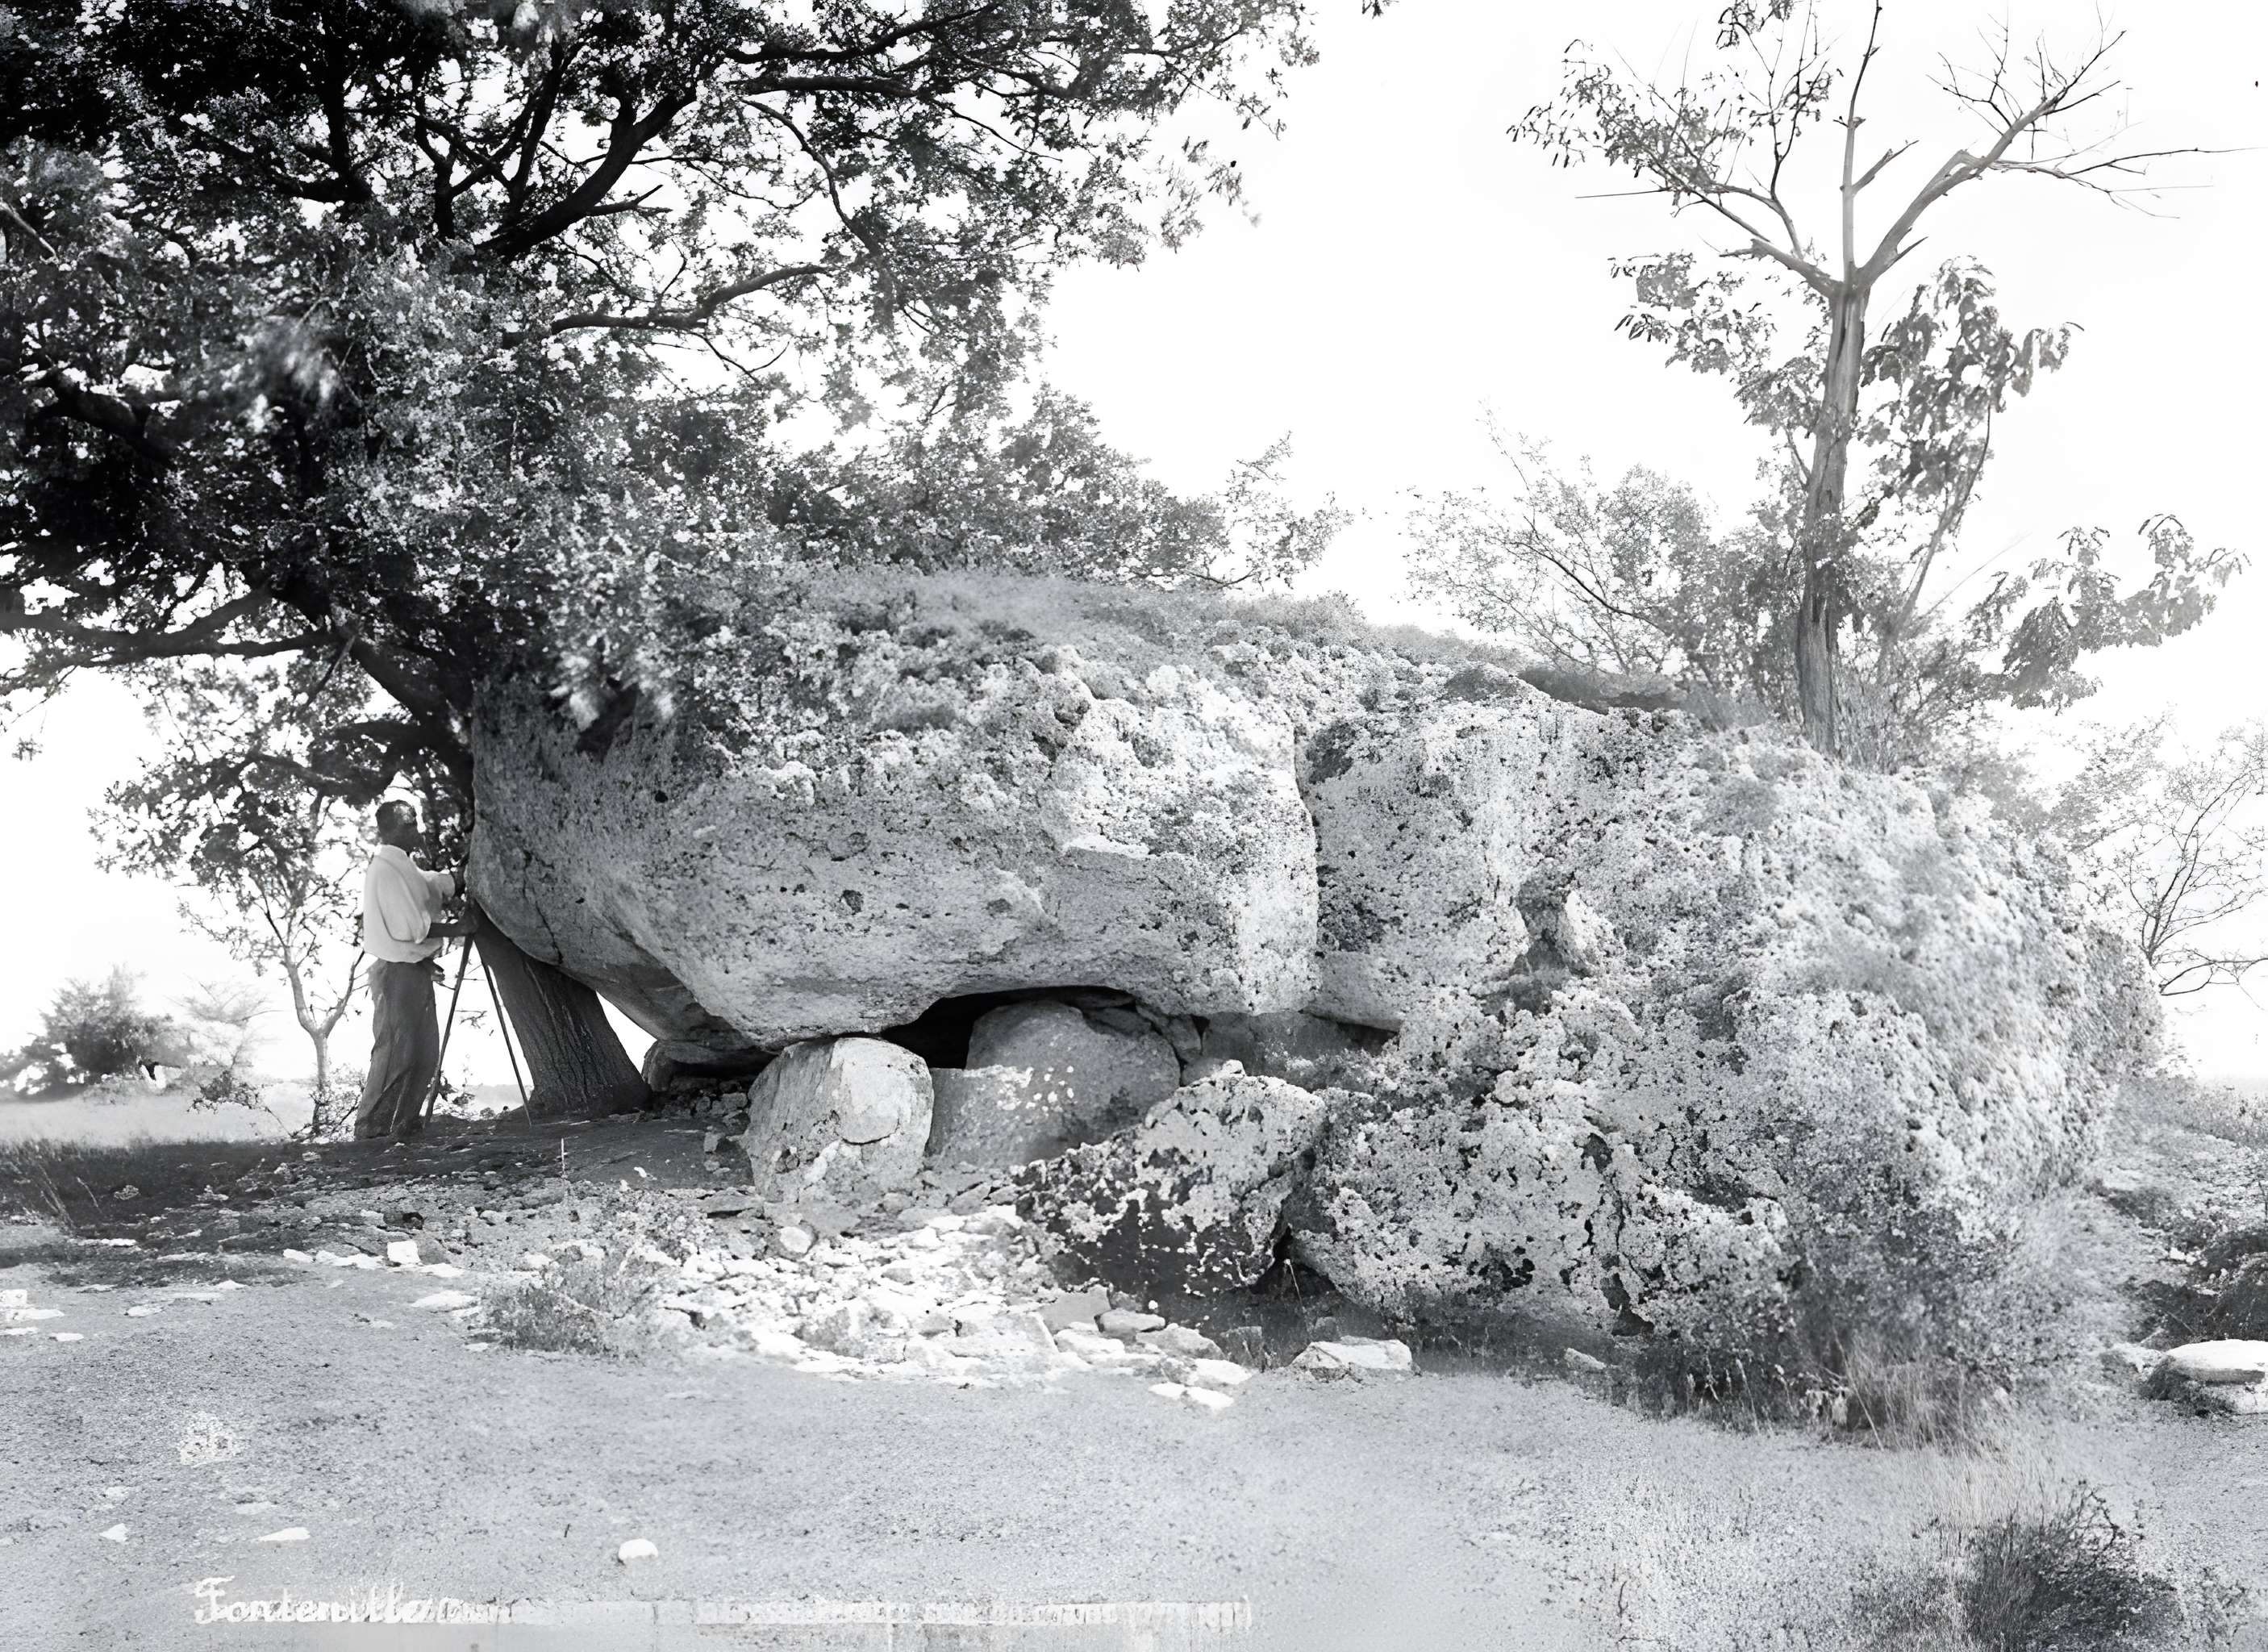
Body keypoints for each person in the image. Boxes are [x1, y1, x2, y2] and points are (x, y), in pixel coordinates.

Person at [356, 799, 477, 1143]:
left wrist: (459, 875)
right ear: (393, 829)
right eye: (410, 825)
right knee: (397, 1051)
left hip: (412, 971)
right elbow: (409, 928)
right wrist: (458, 928)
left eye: (415, 824)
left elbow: (429, 884)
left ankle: (402, 1124)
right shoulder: (384, 869)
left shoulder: (401, 865)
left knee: (424, 1053)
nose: (416, 831)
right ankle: (371, 1130)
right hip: (395, 973)